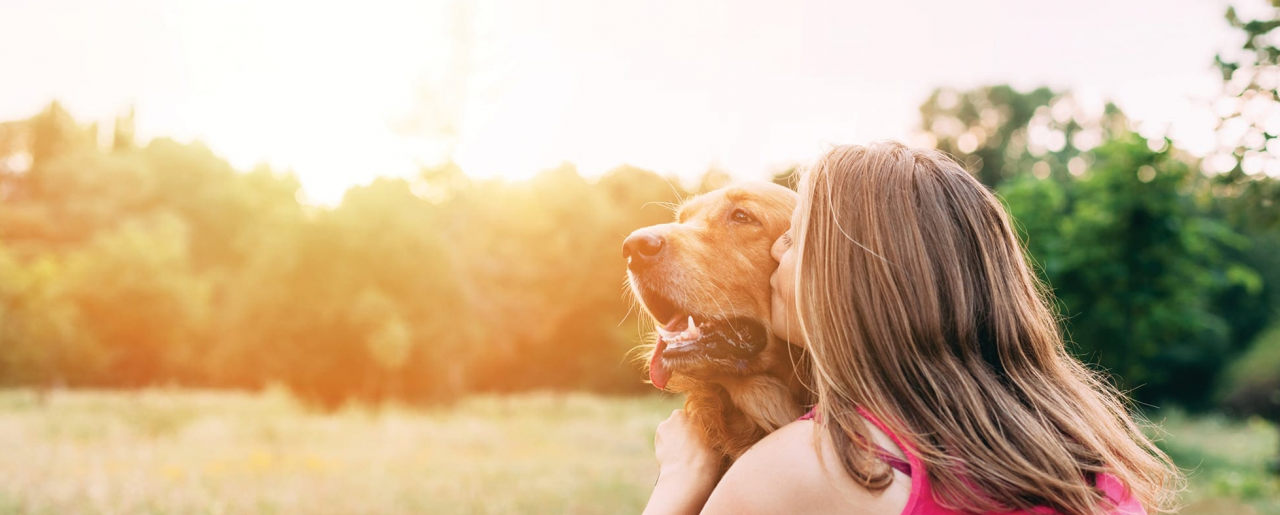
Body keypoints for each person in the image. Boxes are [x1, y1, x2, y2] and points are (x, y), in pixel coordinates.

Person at [642, 142, 1182, 515]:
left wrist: (678, 482)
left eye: (798, 237)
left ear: (861, 276)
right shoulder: (1069, 445)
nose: (785, 254)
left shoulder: (813, 464)